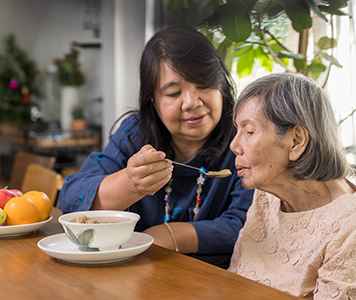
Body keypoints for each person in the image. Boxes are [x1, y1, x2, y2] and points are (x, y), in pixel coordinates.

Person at [58, 26, 253, 261]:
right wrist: (130, 183)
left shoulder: (245, 139)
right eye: (173, 93)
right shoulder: (135, 134)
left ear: (221, 85)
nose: (191, 102)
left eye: (203, 85)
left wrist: (170, 235)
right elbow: (71, 201)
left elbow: (249, 224)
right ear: (152, 99)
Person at [228, 73, 356, 299]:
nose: (234, 145)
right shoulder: (267, 196)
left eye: (249, 132)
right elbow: (235, 279)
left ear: (296, 141)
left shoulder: (354, 228)